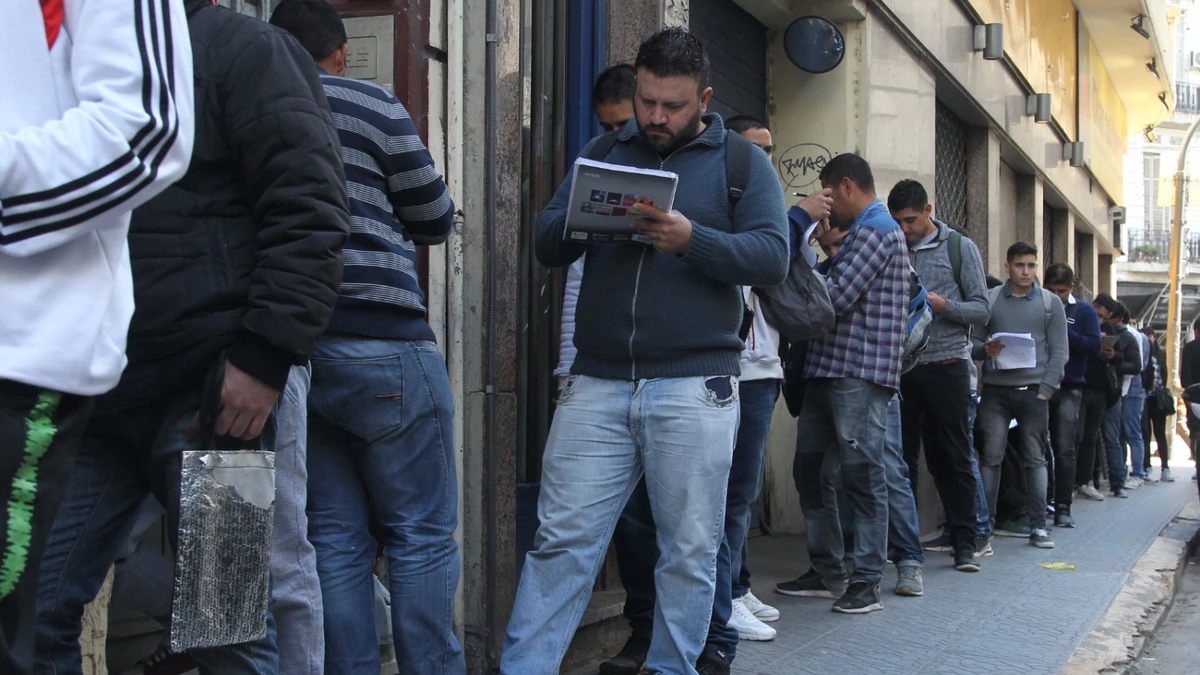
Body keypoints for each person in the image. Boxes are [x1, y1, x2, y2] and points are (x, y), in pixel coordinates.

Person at [33, 2, 350, 674]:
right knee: (33, 609)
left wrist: (265, 356)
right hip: (94, 396)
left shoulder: (247, 49)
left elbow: (310, 206)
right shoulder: (84, 61)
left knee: (225, 623)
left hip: (213, 396)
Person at [501, 27, 789, 675]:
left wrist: (693, 240)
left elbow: (773, 256)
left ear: (704, 99)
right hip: (596, 383)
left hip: (694, 385)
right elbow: (546, 241)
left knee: (688, 550)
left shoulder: (743, 165)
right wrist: (585, 216)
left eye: (673, 105)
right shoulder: (604, 149)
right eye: (647, 101)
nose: (656, 116)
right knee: (562, 542)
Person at [269, 2, 463, 674]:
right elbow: (434, 216)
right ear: (341, 54)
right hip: (385, 345)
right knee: (421, 535)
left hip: (295, 352)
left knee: (332, 538)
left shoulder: (252, 105)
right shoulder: (370, 103)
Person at [0, 2, 194, 672]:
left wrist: (263, 354)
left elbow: (151, 133)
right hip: (128, 378)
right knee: (50, 604)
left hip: (197, 382)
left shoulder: (255, 53)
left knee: (230, 598)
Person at [776, 153, 910, 615]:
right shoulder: (865, 232)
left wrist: (796, 257)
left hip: (858, 374)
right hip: (827, 370)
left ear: (847, 186)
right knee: (811, 473)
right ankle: (827, 569)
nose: (829, 207)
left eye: (830, 195)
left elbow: (831, 299)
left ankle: (867, 580)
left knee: (863, 476)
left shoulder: (875, 231)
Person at [887, 179, 989, 571]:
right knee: (901, 462)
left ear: (928, 210)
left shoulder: (959, 248)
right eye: (898, 221)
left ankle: (965, 543)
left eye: (911, 220)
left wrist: (943, 305)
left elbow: (982, 308)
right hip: (901, 370)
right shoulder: (893, 246)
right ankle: (904, 547)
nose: (905, 229)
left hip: (948, 366)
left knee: (953, 458)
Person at [973, 242, 1067, 550]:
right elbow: (971, 342)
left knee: (1035, 459)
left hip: (1033, 392)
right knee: (991, 458)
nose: (1026, 271)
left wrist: (1046, 390)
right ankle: (984, 527)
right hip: (995, 392)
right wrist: (984, 349)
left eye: (1031, 265)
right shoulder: (990, 300)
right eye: (1020, 265)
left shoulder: (1050, 304)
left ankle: (1038, 525)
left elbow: (1059, 351)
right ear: (1007, 267)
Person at [556, 64, 636, 391]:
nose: (616, 137)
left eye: (624, 125)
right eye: (607, 127)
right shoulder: (597, 165)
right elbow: (578, 277)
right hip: (600, 367)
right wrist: (567, 372)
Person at [1041, 264, 1101, 528]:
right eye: (1051, 291)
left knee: (1065, 448)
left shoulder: (1083, 311)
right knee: (1037, 448)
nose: (1056, 296)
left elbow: (1093, 345)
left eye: (1061, 292)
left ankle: (1063, 506)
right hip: (1039, 384)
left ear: (1071, 289)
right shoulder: (1037, 304)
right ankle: (1042, 501)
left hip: (1069, 387)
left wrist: (1064, 332)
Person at [1094, 295, 1140, 498]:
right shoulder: (1088, 326)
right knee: (1090, 438)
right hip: (1093, 389)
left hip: (1112, 392)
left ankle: (1117, 481)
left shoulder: (1125, 337)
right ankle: (1091, 479)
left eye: (1107, 317)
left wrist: (1113, 359)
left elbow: (1135, 365)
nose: (1103, 321)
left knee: (1112, 438)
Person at [1142, 328, 1173, 482]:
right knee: (1145, 433)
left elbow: (1164, 374)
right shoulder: (1143, 354)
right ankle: (1146, 466)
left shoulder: (1160, 355)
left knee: (1160, 433)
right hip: (1145, 397)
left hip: (1157, 398)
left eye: (1150, 335)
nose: (1149, 338)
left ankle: (1165, 467)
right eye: (1146, 335)